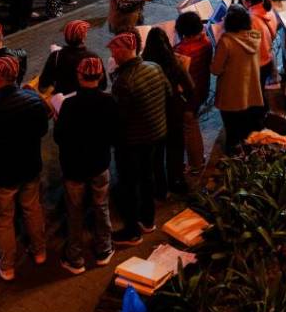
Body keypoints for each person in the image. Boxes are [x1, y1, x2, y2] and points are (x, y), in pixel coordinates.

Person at [0, 55, 50, 280]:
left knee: (3, 220)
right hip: (30, 167)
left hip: (1, 174)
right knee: (32, 209)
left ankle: (7, 266)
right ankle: (40, 251)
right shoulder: (32, 100)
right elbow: (43, 129)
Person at [52, 56, 117, 274]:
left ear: (79, 76)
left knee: (74, 212)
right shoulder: (109, 101)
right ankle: (104, 249)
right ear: (100, 76)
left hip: (74, 167)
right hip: (99, 163)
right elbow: (114, 133)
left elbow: (59, 137)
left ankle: (75, 258)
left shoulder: (69, 105)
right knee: (101, 206)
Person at [107, 31, 170, 246]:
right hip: (156, 134)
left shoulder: (124, 82)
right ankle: (148, 220)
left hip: (132, 142)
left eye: (114, 51)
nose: (112, 55)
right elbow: (168, 93)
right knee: (147, 177)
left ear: (124, 52)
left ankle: (132, 231)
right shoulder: (154, 67)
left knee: (129, 185)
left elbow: (117, 118)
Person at [141, 28, 196, 195]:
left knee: (157, 152)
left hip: (153, 111)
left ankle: (160, 187)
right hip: (173, 109)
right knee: (175, 148)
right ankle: (176, 180)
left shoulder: (144, 64)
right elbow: (190, 87)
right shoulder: (175, 62)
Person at [211, 5, 265, 152]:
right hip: (251, 92)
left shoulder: (226, 42)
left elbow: (215, 70)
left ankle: (234, 162)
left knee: (232, 135)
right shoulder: (255, 36)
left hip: (231, 95)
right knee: (246, 131)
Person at [172, 12, 212, 177]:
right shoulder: (206, 43)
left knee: (190, 125)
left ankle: (196, 164)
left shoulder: (182, 51)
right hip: (201, 89)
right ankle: (198, 159)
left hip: (187, 97)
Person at [38, 20, 108, 95]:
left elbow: (43, 86)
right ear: (83, 37)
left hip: (62, 102)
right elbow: (103, 85)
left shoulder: (56, 56)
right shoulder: (93, 58)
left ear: (66, 36)